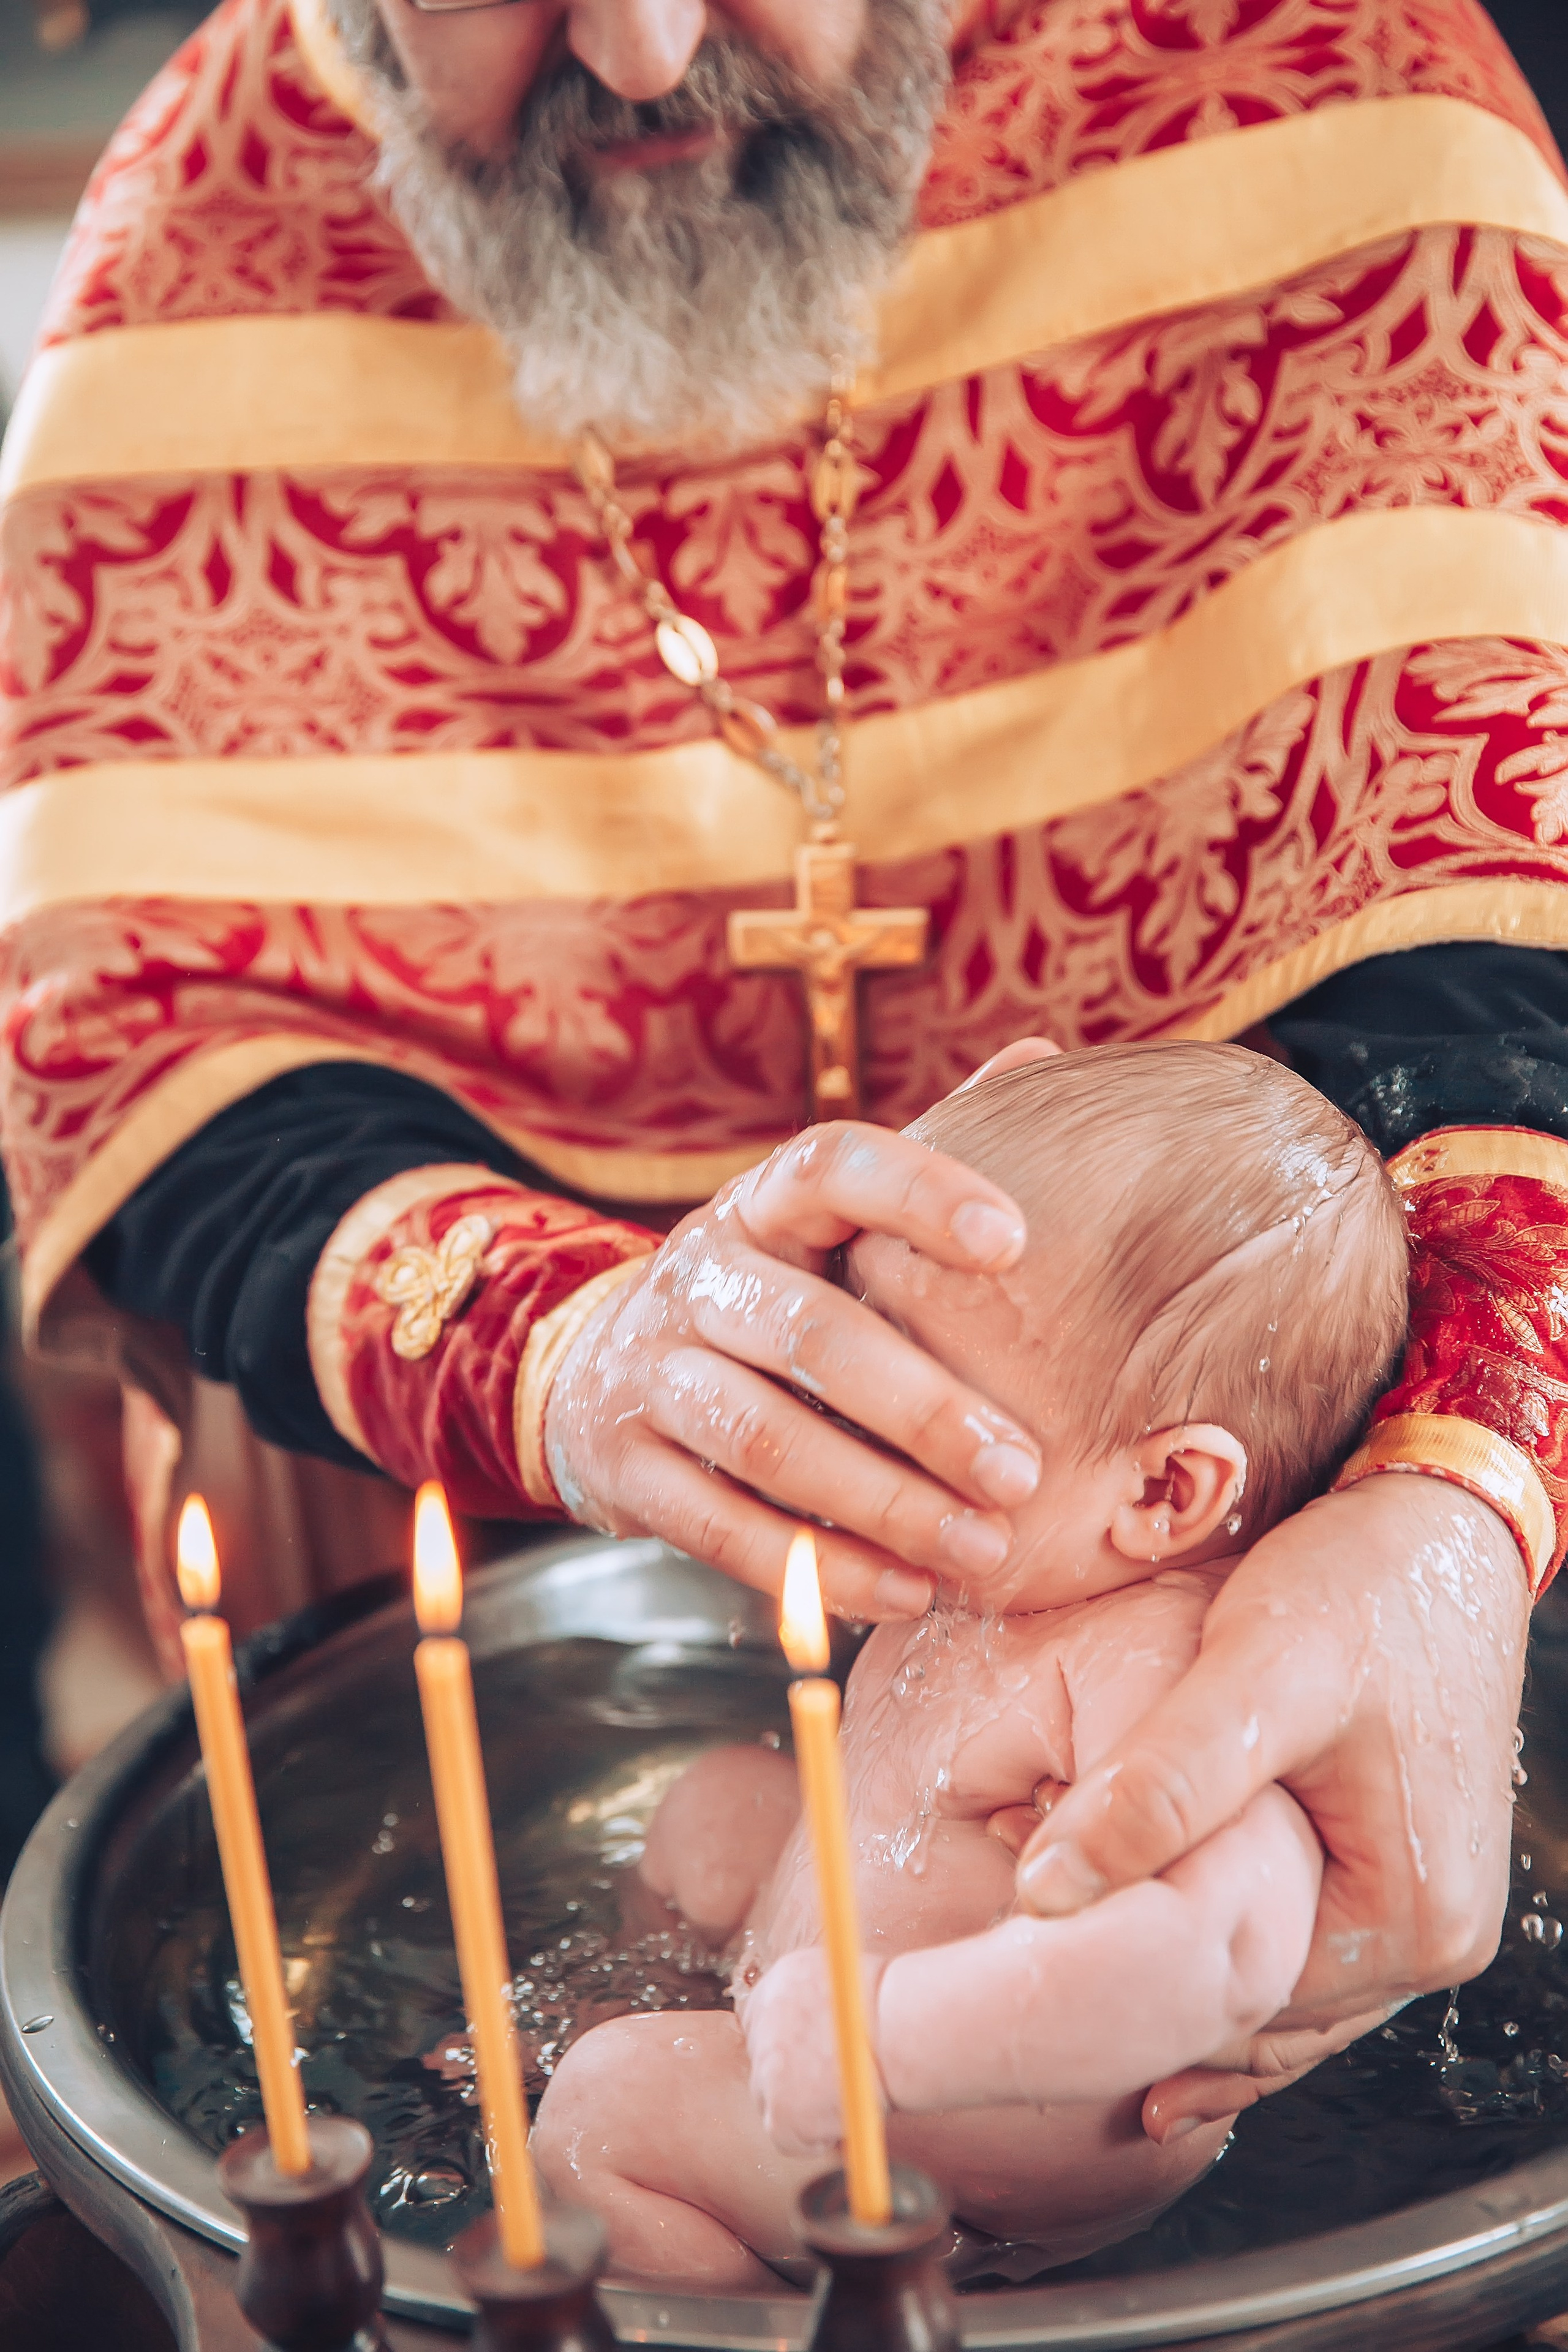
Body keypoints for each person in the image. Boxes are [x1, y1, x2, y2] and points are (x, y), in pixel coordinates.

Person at [0, 0, 1564, 2144]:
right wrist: (565, 1351)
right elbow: (164, 1036)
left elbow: (1498, 907)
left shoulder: (1317, 66)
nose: (646, 55)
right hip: (476, 1547)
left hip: (1268, 1487)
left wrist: (1458, 1493)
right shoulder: (214, 236)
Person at [529, 1043, 1412, 2280]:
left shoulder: (1167, 1662)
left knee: (601, 2112)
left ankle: (819, 2304)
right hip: (832, 2025)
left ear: (1163, 1490)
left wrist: (887, 2039)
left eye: (925, 1409)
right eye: (858, 1354)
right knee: (719, 1805)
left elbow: (1220, 1956)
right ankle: (664, 2017)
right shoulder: (1027, 1569)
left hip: (962, 2148)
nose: (844, 1427)